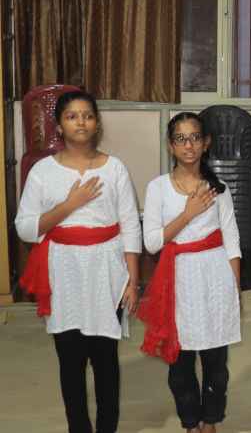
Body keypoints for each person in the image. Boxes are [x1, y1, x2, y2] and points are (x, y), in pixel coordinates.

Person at [16, 90, 143, 433]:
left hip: (108, 272)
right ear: (59, 125)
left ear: (97, 123)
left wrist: (133, 281)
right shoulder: (43, 171)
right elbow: (25, 227)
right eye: (72, 116)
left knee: (106, 362)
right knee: (70, 362)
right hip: (64, 273)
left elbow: (130, 226)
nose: (81, 122)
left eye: (87, 115)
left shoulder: (115, 168)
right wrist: (68, 206)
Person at [139, 112, 243, 433]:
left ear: (206, 143)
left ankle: (210, 421)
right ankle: (190, 422)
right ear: (171, 145)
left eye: (195, 137)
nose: (189, 145)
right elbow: (152, 242)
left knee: (216, 363)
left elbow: (232, 241)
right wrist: (187, 214)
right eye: (181, 139)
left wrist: (234, 289)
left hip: (215, 278)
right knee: (181, 363)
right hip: (177, 281)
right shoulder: (158, 188)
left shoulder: (218, 189)